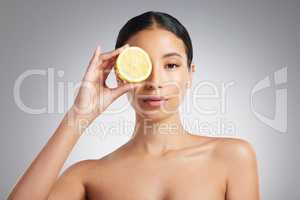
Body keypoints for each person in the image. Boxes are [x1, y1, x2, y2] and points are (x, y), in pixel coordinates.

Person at [8, 11, 260, 200]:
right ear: (120, 74)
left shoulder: (232, 156)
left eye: (171, 65)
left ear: (190, 74)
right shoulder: (87, 176)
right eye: (143, 66)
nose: (155, 82)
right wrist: (79, 116)